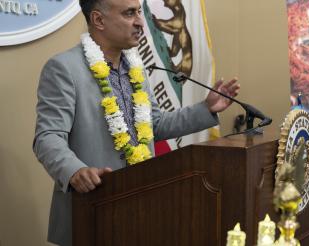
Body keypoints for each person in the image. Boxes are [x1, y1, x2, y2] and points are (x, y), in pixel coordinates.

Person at [32, 0, 239, 245]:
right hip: (90, 212)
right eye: (130, 13)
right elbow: (47, 137)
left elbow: (156, 125)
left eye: (139, 11)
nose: (141, 22)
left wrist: (205, 109)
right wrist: (75, 170)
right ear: (98, 20)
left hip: (140, 210)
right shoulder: (64, 69)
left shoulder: (136, 68)